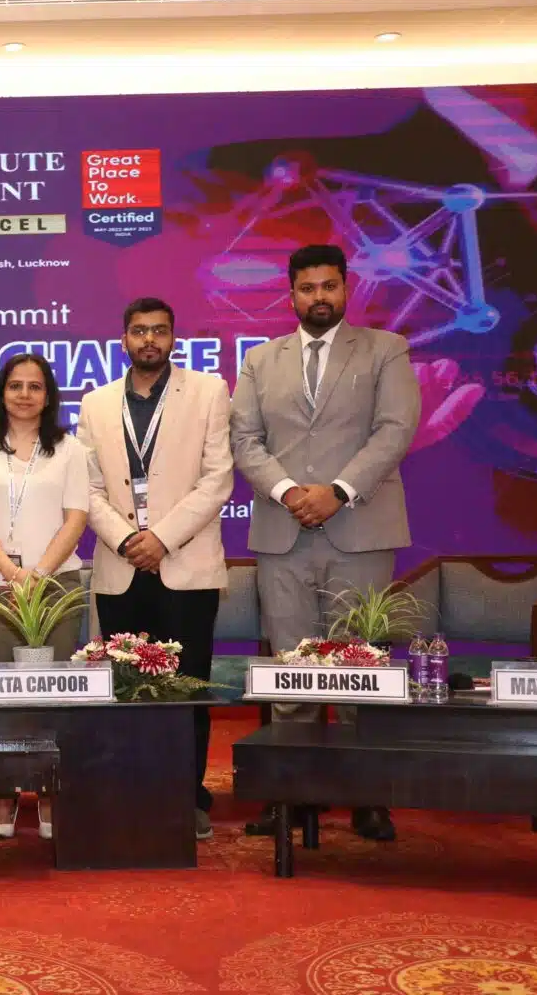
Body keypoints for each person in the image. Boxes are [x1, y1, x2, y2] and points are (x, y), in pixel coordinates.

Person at [231, 244, 420, 842]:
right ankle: (293, 796)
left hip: (359, 531)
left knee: (363, 672)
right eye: (308, 287)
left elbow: (395, 429)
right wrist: (290, 491)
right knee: (291, 675)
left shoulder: (386, 349)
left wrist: (337, 491)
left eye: (329, 286)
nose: (319, 297)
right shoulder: (260, 360)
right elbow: (244, 439)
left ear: (346, 288)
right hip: (282, 532)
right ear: (290, 294)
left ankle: (369, 798)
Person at [78, 297, 234, 842]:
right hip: (121, 565)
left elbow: (217, 479)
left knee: (187, 690)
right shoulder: (95, 403)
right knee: (125, 690)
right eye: (140, 331)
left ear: (173, 337)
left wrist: (161, 538)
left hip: (185, 565)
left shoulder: (209, 391)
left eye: (160, 331)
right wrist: (127, 540)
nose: (150, 340)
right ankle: (130, 791)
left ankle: (187, 796)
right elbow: (87, 488)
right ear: (123, 339)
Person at [0, 352, 89, 841]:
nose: (24, 395)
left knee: (54, 692)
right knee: (4, 693)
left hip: (57, 583)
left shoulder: (69, 449)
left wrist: (38, 574)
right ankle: (6, 792)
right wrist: (12, 572)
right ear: (1, 393)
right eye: (15, 385)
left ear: (48, 395)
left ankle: (51, 792)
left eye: (35, 386)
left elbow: (76, 518)